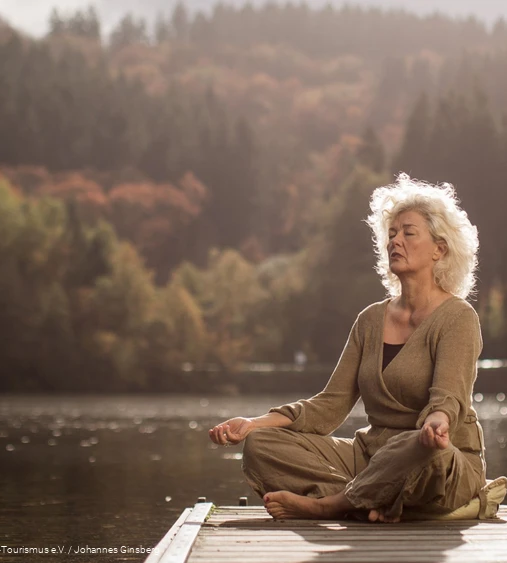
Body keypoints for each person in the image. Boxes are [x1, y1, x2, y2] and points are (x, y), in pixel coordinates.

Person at [208, 174, 487, 522]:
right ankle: (374, 501)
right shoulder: (371, 320)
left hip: (437, 454)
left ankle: (329, 505)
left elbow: (449, 397)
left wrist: (437, 422)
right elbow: (330, 405)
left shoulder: (458, 317)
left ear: (439, 249)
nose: (395, 241)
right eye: (392, 234)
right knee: (263, 445)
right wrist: (253, 424)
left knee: (418, 447)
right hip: (370, 457)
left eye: (408, 233)